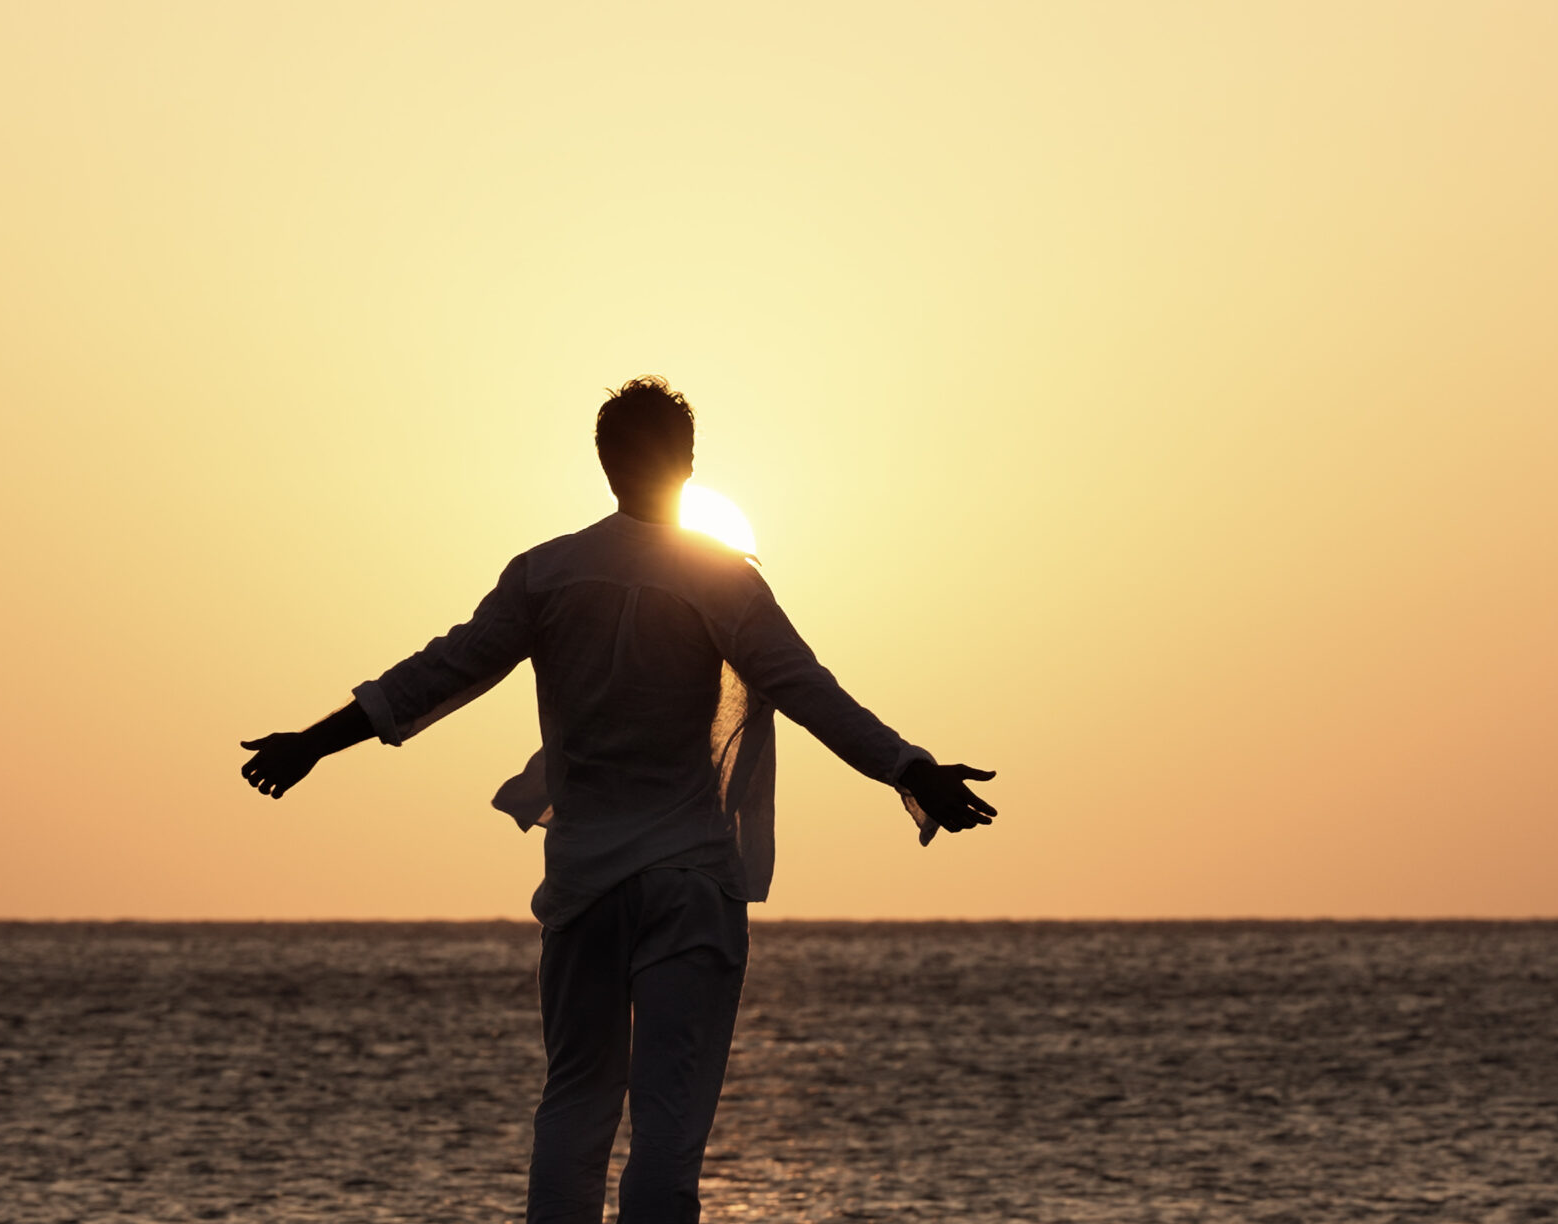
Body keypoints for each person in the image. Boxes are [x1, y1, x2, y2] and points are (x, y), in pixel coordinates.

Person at [237, 376, 998, 1224]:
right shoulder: (722, 582)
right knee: (668, 1131)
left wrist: (314, 742)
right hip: (688, 887)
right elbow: (810, 692)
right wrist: (910, 768)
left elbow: (437, 674)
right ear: (689, 462)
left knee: (573, 1109)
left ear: (604, 461)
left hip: (585, 888)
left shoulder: (546, 575)